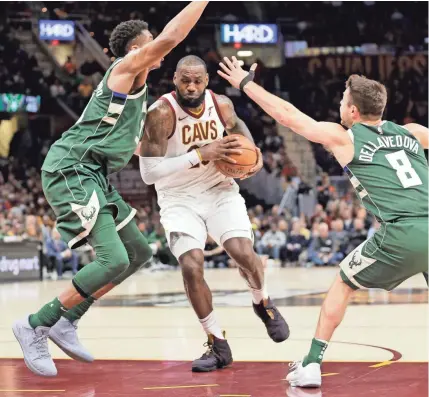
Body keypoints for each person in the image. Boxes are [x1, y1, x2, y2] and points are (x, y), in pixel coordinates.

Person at [12, 2, 210, 377]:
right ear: (137, 50)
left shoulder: (139, 97)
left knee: (137, 252)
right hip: (71, 168)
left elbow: (139, 151)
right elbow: (173, 36)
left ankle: (67, 319)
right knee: (113, 259)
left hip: (96, 174)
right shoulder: (124, 70)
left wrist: (202, 156)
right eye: (150, 44)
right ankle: (34, 324)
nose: (159, 49)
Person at [218, 57, 428, 387]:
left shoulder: (346, 137)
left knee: (343, 283)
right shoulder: (412, 132)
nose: (340, 105)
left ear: (354, 111)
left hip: (402, 230)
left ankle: (312, 365)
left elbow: (287, 116)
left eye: (343, 101)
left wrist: (245, 84)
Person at [138, 55, 289, 372]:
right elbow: (149, 175)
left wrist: (254, 154)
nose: (191, 87)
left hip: (219, 188)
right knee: (192, 267)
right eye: (184, 80)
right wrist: (198, 155)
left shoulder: (221, 105)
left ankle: (262, 302)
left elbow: (238, 127)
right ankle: (217, 343)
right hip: (177, 198)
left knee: (244, 253)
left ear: (206, 81)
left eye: (197, 81)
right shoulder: (160, 114)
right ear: (175, 79)